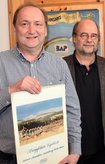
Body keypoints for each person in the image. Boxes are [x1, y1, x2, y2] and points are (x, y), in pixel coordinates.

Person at [0, 3, 81, 164]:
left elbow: (72, 109)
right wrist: (13, 89)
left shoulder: (59, 65)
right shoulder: (1, 62)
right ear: (15, 28)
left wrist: (75, 150)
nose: (31, 30)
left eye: (38, 24)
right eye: (24, 24)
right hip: (7, 158)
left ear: (45, 30)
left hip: (53, 156)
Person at [63, 19, 105, 164]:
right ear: (74, 38)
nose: (89, 40)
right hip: (69, 150)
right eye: (84, 35)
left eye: (94, 36)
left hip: (100, 149)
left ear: (98, 40)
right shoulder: (60, 67)